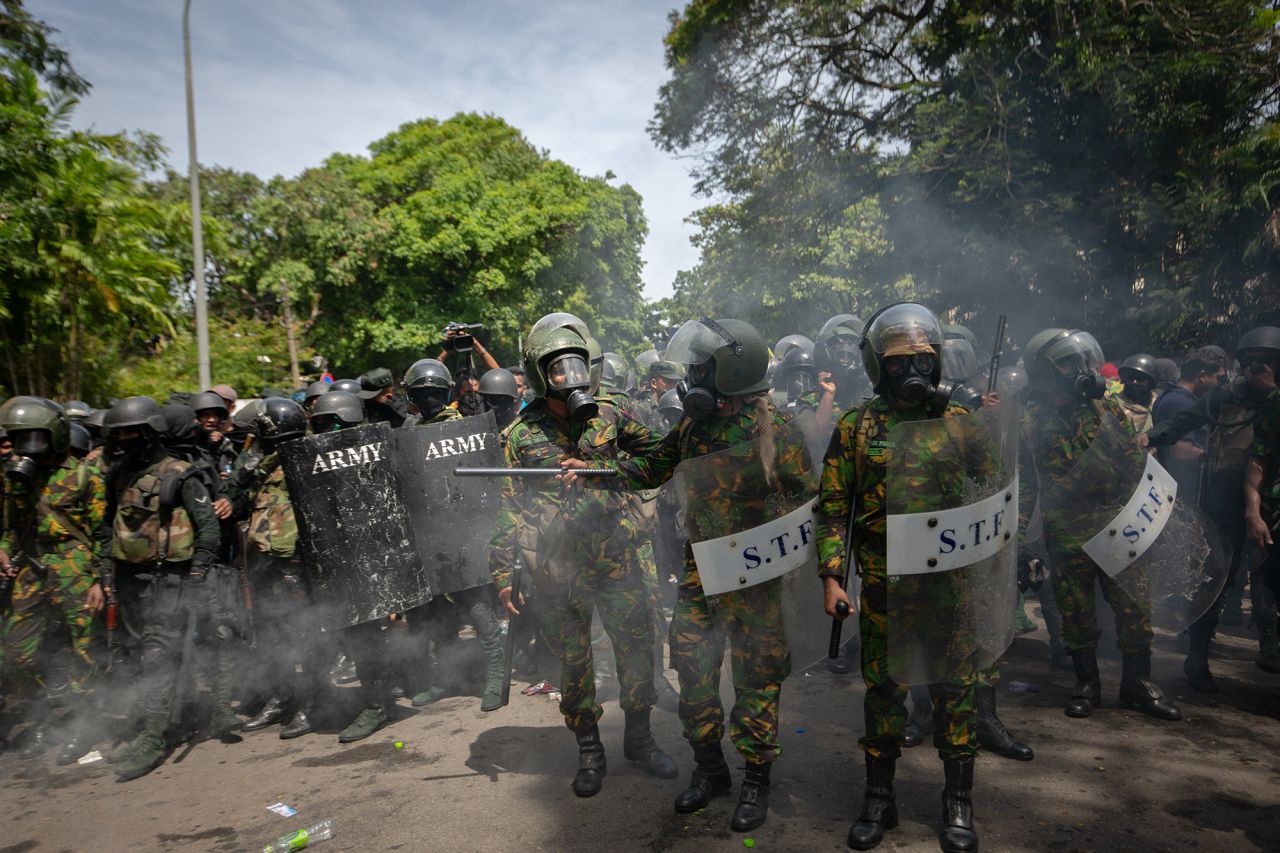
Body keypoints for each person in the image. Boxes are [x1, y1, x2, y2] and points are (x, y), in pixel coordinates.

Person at [563, 317, 805, 833]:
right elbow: (652, 468)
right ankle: (711, 769)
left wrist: (812, 574)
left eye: (700, 369)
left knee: (757, 682)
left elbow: (810, 507)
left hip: (757, 579)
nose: (690, 378)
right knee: (693, 669)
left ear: (731, 372)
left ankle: (757, 779)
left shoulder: (778, 432)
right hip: (704, 574)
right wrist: (592, 470)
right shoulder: (693, 428)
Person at [818, 303, 998, 852]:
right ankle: (880, 798)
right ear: (878, 367)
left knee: (956, 691)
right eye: (899, 364)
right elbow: (831, 508)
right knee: (883, 692)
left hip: (951, 586)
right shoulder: (856, 427)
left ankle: (958, 803)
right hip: (881, 587)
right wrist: (831, 577)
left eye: (923, 360)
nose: (913, 372)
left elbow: (997, 493)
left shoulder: (960, 423)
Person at [490, 316, 677, 799]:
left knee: (638, 653)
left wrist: (604, 469)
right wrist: (502, 575)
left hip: (618, 558)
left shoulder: (612, 413)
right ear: (538, 374)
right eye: (557, 370)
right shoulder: (519, 434)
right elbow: (507, 506)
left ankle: (639, 740)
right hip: (558, 571)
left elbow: (661, 458)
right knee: (574, 665)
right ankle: (590, 750)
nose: (570, 377)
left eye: (575, 366)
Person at [1019, 329, 1179, 722]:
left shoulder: (1107, 410)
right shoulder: (1029, 420)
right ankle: (1086, 684)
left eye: (1082, 361)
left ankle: (1138, 684)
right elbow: (1024, 478)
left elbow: (1133, 463)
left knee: (1133, 604)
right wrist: (1019, 527)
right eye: (1069, 364)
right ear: (1045, 371)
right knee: (1075, 610)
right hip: (1066, 529)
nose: (1083, 370)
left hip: (1116, 523)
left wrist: (1149, 512)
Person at [98, 396, 221, 781]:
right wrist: (104, 573)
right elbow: (106, 528)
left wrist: (198, 572)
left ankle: (155, 736)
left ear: (151, 432)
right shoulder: (119, 475)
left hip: (169, 581)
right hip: (129, 581)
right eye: (119, 434)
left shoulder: (180, 474)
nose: (125, 440)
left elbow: (210, 529)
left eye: (132, 432)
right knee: (139, 655)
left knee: (157, 656)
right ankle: (172, 718)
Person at [0, 397, 107, 765]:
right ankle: (44, 718)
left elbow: (103, 533)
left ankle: (84, 724)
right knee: (16, 651)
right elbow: (11, 524)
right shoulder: (15, 475)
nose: (25, 444)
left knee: (84, 651)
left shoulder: (84, 475)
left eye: (33, 435)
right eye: (19, 436)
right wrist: (2, 547)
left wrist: (100, 581)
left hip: (74, 566)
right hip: (31, 566)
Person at [1145, 346, 1242, 690]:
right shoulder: (1181, 403)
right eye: (1218, 376)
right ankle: (1189, 646)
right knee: (1199, 575)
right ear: (1202, 374)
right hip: (1189, 498)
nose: (1222, 382)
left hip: (1204, 498)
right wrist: (1218, 455)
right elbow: (1182, 449)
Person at [235, 398, 326, 739]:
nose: (254, 437)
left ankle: (313, 702)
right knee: (272, 637)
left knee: (307, 637)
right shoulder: (262, 465)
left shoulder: (304, 460)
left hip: (295, 565)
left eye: (261, 432)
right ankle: (282, 697)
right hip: (265, 564)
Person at [1115, 354, 1159, 435]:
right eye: (1130, 377)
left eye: (1140, 378)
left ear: (1151, 383)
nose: (1134, 381)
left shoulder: (1158, 407)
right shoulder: (1113, 403)